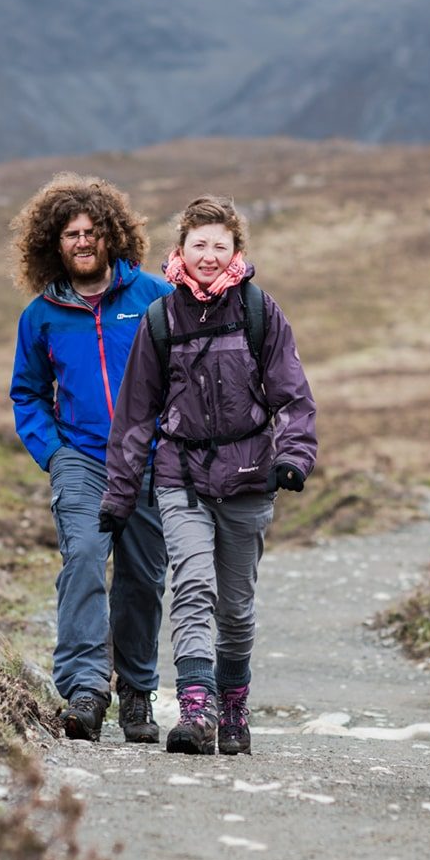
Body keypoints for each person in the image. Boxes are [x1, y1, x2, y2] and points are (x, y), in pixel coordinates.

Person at [99, 194, 317, 755]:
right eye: (199, 245)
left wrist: (294, 456)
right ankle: (196, 711)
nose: (209, 255)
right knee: (192, 587)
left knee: (236, 606)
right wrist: (119, 497)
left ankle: (235, 707)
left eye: (221, 246)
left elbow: (292, 394)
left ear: (236, 251)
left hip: (248, 475)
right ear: (181, 250)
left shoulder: (259, 312)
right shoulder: (159, 319)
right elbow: (134, 416)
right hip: (181, 477)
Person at [9, 172, 173, 743]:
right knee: (81, 557)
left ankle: (135, 693)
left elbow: (185, 373)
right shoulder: (41, 316)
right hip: (80, 459)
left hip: (148, 459)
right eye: (71, 234)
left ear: (112, 236)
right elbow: (26, 394)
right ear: (54, 244)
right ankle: (84, 690)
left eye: (92, 231)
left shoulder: (153, 297)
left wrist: (170, 440)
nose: (82, 242)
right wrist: (53, 454)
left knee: (143, 578)